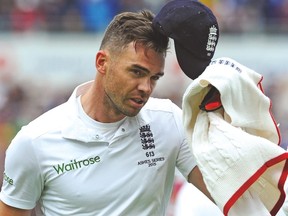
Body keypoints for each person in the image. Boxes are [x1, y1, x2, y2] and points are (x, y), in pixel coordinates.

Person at [0, 7, 213, 216]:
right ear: (102, 62)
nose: (146, 87)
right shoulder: (34, 141)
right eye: (136, 72)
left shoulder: (169, 120)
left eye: (154, 77)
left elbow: (226, 192)